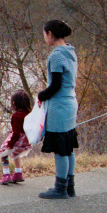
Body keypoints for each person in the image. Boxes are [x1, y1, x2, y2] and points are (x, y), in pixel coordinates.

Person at [37, 20, 79, 199]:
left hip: (59, 106)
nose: (44, 38)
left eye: (44, 34)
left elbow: (55, 85)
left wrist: (40, 96)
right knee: (68, 147)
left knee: (60, 150)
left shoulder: (56, 56)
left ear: (50, 34)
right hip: (71, 103)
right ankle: (70, 187)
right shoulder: (71, 52)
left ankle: (60, 188)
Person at [0, 89, 33, 185]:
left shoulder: (16, 116)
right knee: (15, 154)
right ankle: (18, 173)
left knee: (3, 152)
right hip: (27, 142)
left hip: (18, 140)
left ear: (14, 103)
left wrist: (10, 144)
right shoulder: (30, 115)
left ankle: (6, 175)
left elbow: (16, 133)